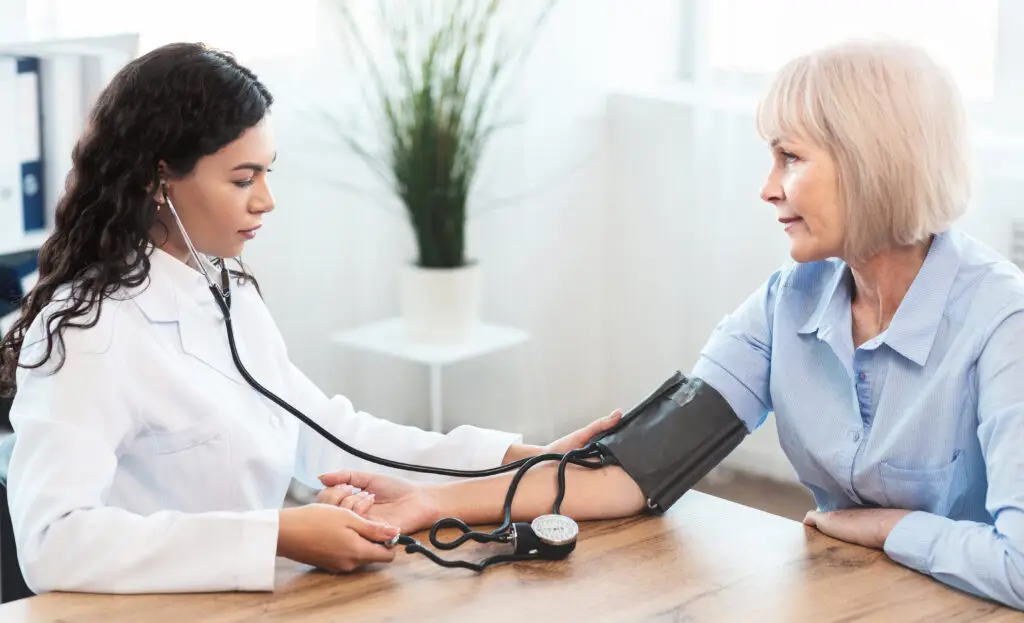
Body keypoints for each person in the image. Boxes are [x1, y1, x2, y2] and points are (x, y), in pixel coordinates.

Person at [323, 40, 1024, 610]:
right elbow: (632, 471)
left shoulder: (1003, 323)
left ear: (873, 163)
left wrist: (894, 528)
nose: (767, 188)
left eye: (790, 157)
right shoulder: (791, 301)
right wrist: (430, 500)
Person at [0, 42, 620, 595]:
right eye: (243, 179)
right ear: (159, 180)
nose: (267, 200)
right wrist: (277, 535)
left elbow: (330, 434)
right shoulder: (87, 331)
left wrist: (520, 457)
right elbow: (52, 543)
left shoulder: (224, 291)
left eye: (267, 172)